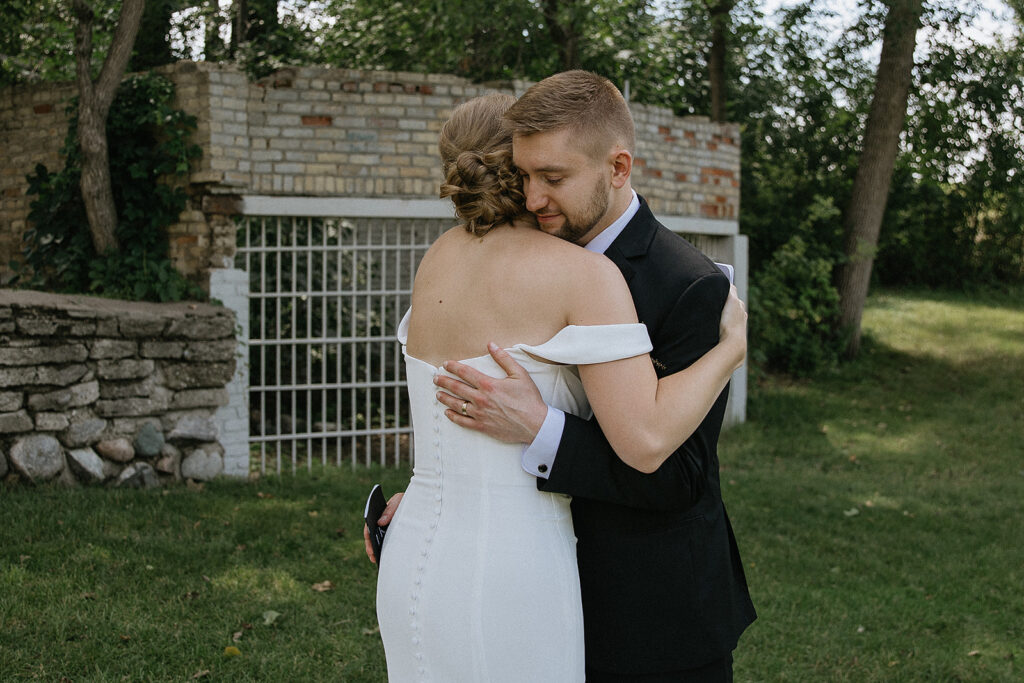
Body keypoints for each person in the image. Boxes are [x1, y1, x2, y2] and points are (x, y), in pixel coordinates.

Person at [375, 72, 757, 681]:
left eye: (552, 179)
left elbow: (678, 480)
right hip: (523, 579)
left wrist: (541, 429)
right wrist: (443, 489)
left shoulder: (689, 283)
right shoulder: (517, 260)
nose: (532, 198)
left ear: (617, 167)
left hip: (650, 617)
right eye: (525, 176)